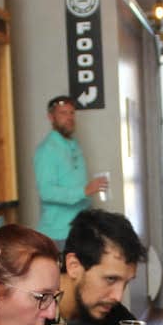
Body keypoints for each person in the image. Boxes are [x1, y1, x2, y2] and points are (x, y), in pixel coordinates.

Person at [34, 94, 107, 242]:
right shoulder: (47, 149)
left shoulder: (74, 145)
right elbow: (46, 192)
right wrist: (84, 191)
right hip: (58, 234)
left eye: (72, 113)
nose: (69, 117)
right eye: (63, 113)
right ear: (51, 117)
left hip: (80, 229)